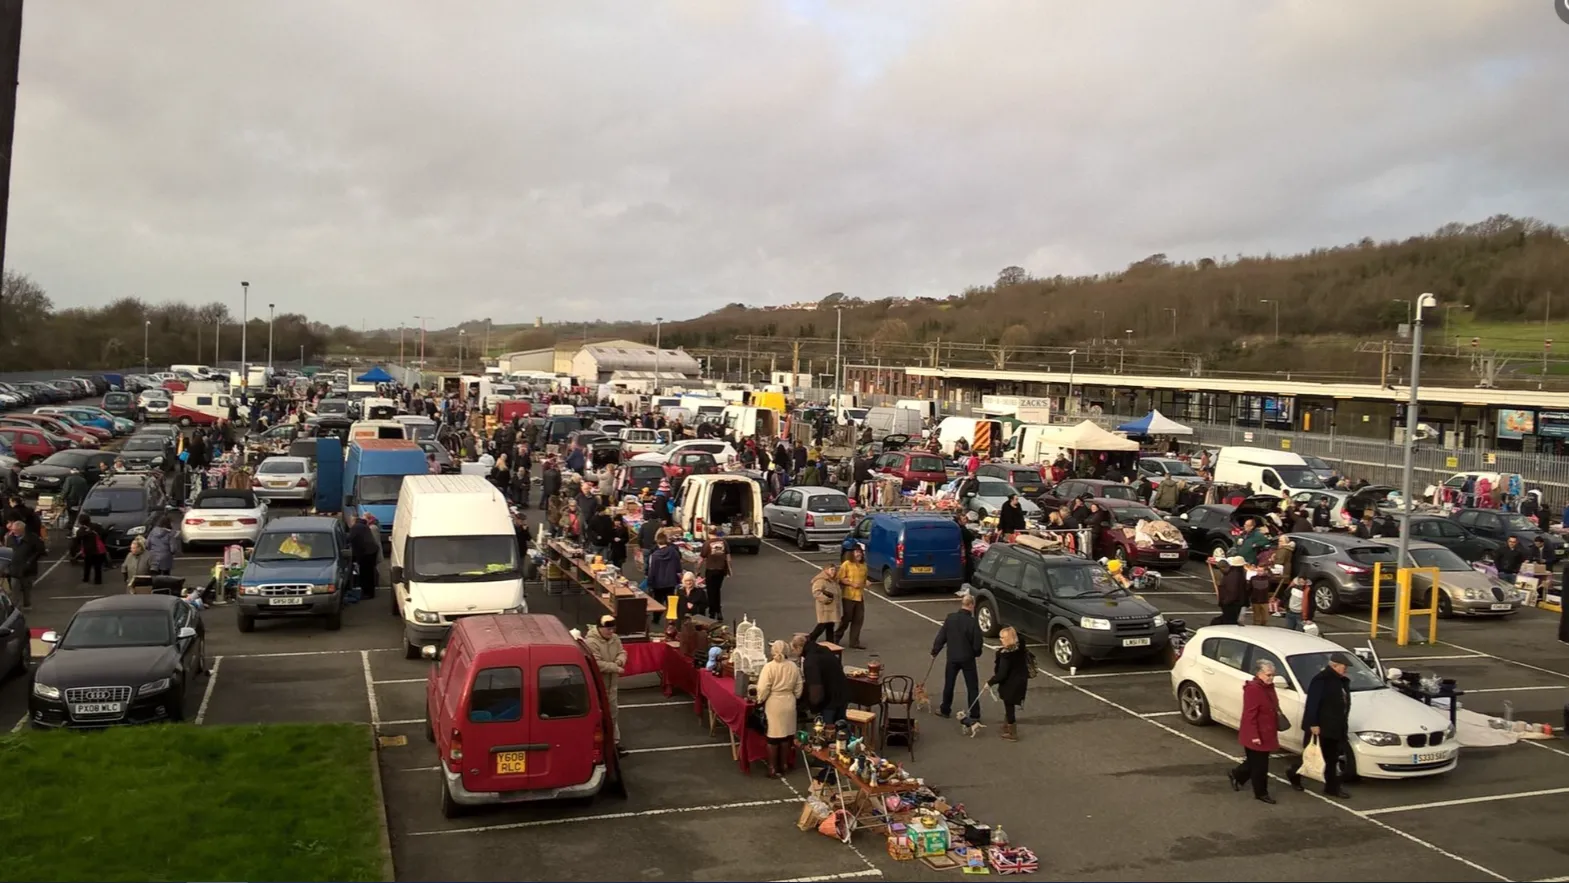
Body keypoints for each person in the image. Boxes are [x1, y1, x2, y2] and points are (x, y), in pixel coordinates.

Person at [1287, 652, 1353, 799]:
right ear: (1334, 665)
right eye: (1344, 666)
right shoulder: (1321, 680)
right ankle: (1294, 773)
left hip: (1336, 726)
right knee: (1312, 756)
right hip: (1321, 727)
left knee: (1332, 758)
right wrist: (1314, 723)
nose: (1346, 669)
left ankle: (1332, 788)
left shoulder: (1342, 681)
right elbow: (1313, 703)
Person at [1228, 657, 1281, 804]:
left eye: (1272, 675)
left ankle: (1236, 775)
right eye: (1268, 675)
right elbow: (1249, 714)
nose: (1271, 678)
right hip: (1257, 734)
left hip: (1266, 731)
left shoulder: (1268, 687)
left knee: (1254, 762)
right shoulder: (1253, 689)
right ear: (1259, 673)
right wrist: (1254, 736)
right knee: (1260, 766)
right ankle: (1261, 793)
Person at [932, 593, 985, 732]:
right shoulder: (973, 622)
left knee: (949, 683)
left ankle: (945, 709)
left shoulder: (950, 618)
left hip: (952, 658)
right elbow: (977, 642)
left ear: (962, 604)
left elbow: (941, 636)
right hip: (968, 659)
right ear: (972, 605)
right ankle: (974, 714)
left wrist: (935, 651)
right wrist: (976, 653)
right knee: (972, 686)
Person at [754, 639, 803, 778]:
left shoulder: (769, 667)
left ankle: (772, 768)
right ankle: (785, 765)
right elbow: (799, 687)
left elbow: (763, 688)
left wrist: (760, 700)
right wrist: (795, 696)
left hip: (774, 703)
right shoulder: (793, 666)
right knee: (786, 737)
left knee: (773, 738)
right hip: (789, 702)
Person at [584, 614, 629, 756]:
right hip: (599, 685)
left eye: (613, 628)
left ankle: (614, 744)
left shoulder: (615, 638)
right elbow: (596, 664)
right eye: (608, 628)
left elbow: (622, 652)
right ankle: (602, 746)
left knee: (613, 714)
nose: (611, 631)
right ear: (599, 628)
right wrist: (615, 668)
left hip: (612, 684)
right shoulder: (591, 642)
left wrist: (620, 661)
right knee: (600, 717)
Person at [793, 632, 848, 726]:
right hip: (842, 692)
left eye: (793, 649)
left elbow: (816, 688)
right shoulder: (824, 649)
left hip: (829, 701)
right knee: (841, 727)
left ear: (799, 648)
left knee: (828, 730)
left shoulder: (810, 661)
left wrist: (813, 707)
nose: (793, 653)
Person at [988, 625, 1032, 742]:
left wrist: (990, 682)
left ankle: (1012, 732)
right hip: (1021, 681)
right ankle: (1007, 724)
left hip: (1010, 684)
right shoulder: (1019, 648)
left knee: (1009, 706)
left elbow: (1001, 674)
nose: (1000, 639)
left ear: (1008, 639)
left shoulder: (1006, 656)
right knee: (1010, 704)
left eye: (1002, 637)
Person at [833, 546, 869, 649]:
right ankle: (836, 637)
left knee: (858, 619)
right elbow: (840, 578)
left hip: (859, 597)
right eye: (856, 552)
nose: (859, 554)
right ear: (852, 553)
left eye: (860, 552)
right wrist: (851, 584)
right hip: (848, 596)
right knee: (847, 618)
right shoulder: (847, 564)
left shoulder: (864, 566)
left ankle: (854, 642)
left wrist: (866, 582)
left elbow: (864, 578)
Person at [6, 520, 44, 609]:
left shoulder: (32, 538)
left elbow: (39, 551)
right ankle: (15, 607)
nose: (13, 532)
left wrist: (30, 562)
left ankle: (27, 604)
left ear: (22, 530)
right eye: (13, 530)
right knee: (14, 588)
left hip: (28, 569)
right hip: (14, 568)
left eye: (16, 530)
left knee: (26, 588)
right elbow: (8, 550)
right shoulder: (10, 538)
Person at [645, 533, 683, 614]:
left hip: (658, 582)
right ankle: (671, 619)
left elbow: (652, 570)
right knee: (671, 601)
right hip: (671, 580)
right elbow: (678, 567)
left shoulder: (655, 555)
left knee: (658, 601)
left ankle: (656, 618)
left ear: (657, 542)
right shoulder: (673, 552)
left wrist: (650, 582)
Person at [348, 513, 381, 600]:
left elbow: (350, 538)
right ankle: (370, 592)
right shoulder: (363, 526)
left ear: (353, 520)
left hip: (366, 554)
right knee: (369, 573)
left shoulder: (356, 527)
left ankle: (367, 593)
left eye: (350, 521)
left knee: (365, 574)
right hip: (371, 552)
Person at [700, 530, 731, 621]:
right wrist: (729, 570)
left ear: (709, 534)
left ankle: (712, 612)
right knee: (717, 590)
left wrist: (697, 570)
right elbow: (728, 558)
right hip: (721, 570)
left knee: (710, 591)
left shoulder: (707, 544)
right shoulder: (724, 542)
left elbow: (701, 559)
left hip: (710, 570)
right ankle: (718, 611)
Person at [71, 513, 108, 585]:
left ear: (80, 522)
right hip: (99, 550)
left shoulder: (80, 531)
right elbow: (105, 533)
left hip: (87, 551)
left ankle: (86, 578)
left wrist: (74, 552)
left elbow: (76, 542)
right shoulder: (97, 526)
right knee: (98, 567)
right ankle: (98, 581)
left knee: (87, 565)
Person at [807, 564, 839, 644]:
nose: (833, 572)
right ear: (826, 570)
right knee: (822, 625)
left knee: (830, 625)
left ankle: (830, 642)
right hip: (825, 608)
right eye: (831, 570)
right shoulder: (821, 580)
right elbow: (816, 592)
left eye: (834, 570)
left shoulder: (833, 580)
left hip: (831, 607)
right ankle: (810, 639)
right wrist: (826, 599)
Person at [1212, 556, 1247, 625]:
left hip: (1231, 603)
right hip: (1234, 603)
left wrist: (1225, 601)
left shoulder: (1234, 575)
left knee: (1229, 620)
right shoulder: (1238, 574)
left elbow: (1233, 591)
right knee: (1230, 620)